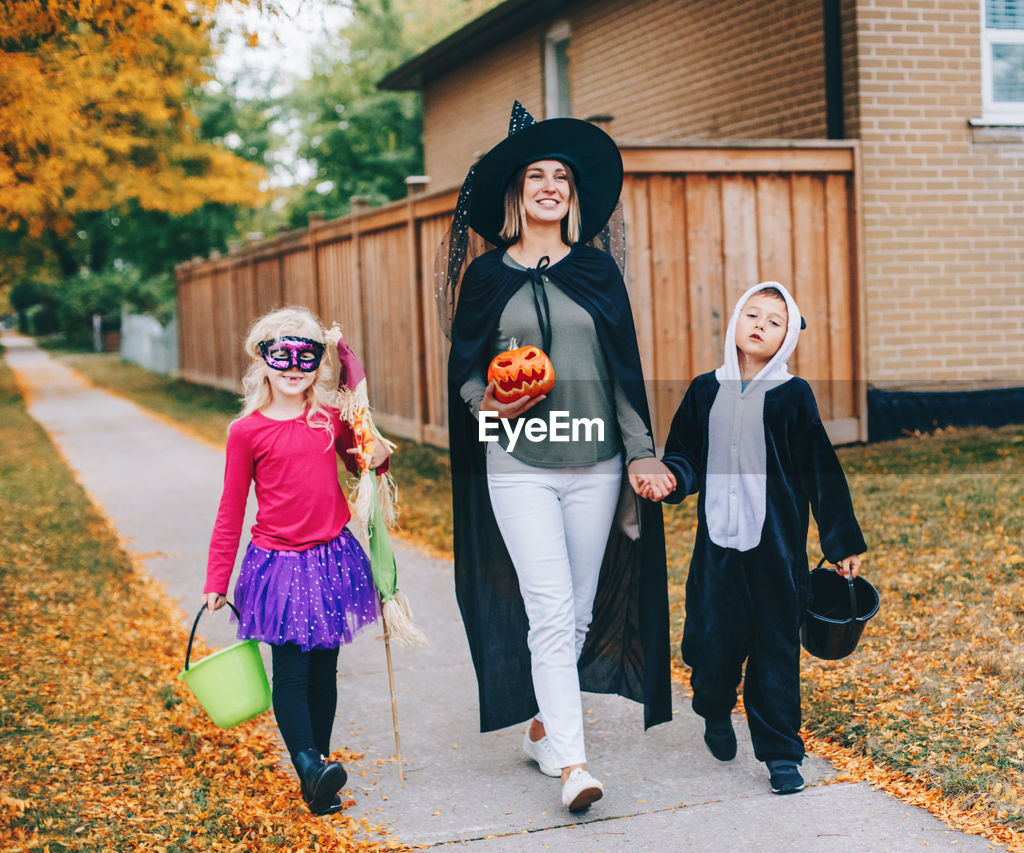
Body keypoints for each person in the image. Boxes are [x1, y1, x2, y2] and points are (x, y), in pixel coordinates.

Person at [443, 102, 674, 813]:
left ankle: (546, 728)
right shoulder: (485, 278)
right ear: (516, 194)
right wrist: (491, 403)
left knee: (572, 614)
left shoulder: (598, 271)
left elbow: (623, 372)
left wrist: (640, 454)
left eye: (561, 178)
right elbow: (466, 368)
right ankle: (576, 763)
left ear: (572, 197)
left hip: (598, 463)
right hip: (520, 463)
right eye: (535, 175)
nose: (549, 186)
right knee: (548, 609)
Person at [643, 282, 867, 795]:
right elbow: (684, 454)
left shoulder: (793, 396)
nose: (760, 325)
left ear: (788, 338)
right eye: (753, 314)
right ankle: (714, 709)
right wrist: (672, 478)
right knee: (711, 646)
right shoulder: (705, 390)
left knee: (775, 652)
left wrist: (841, 542)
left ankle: (782, 755)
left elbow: (821, 470)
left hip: (777, 553)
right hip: (717, 552)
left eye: (775, 321)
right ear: (736, 323)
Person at [201, 306, 390, 816]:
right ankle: (308, 763)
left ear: (318, 363)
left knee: (324, 669)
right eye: (279, 353)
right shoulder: (247, 431)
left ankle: (319, 773)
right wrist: (217, 577)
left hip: (330, 559)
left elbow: (366, 461)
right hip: (279, 564)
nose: (292, 365)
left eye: (305, 355)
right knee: (290, 670)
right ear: (262, 359)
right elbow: (231, 505)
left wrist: (371, 441)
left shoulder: (328, 418)